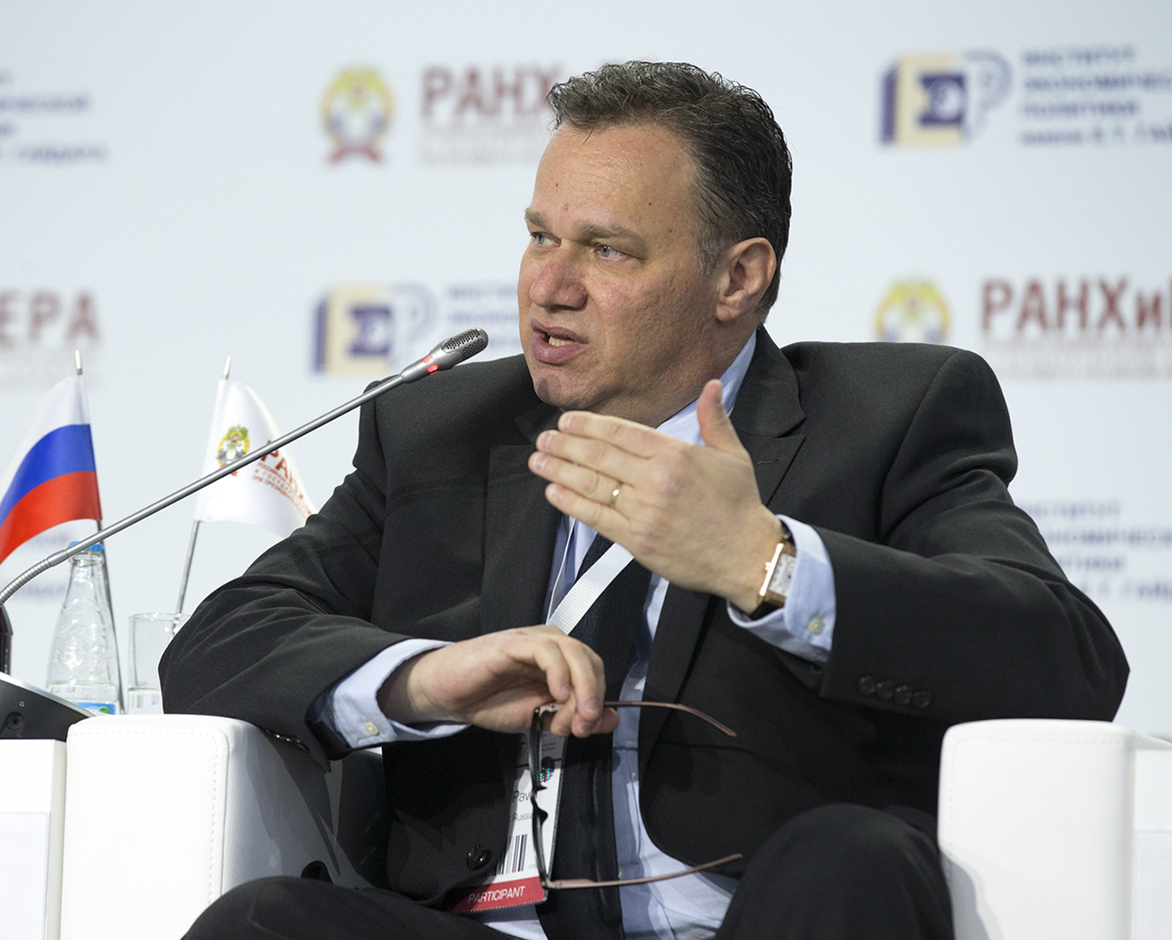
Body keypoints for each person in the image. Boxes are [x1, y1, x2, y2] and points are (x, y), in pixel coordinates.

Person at [160, 61, 1128, 940]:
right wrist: (421, 680)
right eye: (539, 236)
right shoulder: (441, 429)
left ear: (737, 277)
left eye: (607, 251)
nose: (549, 286)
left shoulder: (884, 420)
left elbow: (1064, 660)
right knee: (263, 923)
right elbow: (221, 643)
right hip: (493, 927)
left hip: (757, 919)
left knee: (850, 856)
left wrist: (767, 564)